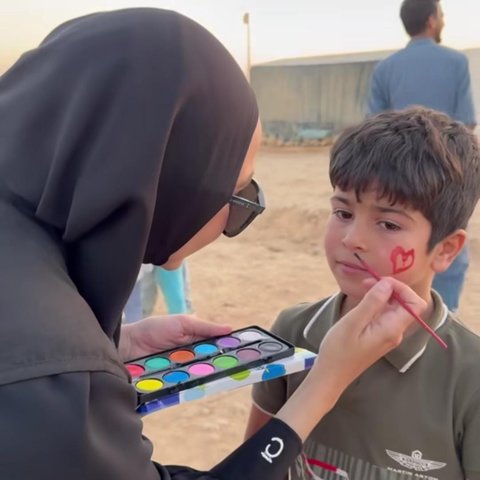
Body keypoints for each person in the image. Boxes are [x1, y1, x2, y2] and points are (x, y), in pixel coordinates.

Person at [0, 8, 425, 480]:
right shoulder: (50, 378)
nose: (353, 240)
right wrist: (324, 383)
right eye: (241, 195)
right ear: (172, 182)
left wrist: (108, 349)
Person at [245, 108, 480, 479]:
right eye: (342, 213)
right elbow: (251, 468)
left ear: (447, 249)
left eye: (388, 223)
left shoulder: (469, 375)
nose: (353, 239)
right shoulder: (293, 332)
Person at [367, 0, 477, 312]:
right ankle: (441, 322)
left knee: (393, 249)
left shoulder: (386, 68)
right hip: (449, 177)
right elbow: (466, 124)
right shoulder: (456, 62)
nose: (443, 20)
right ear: (431, 20)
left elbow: (373, 129)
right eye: (441, 15)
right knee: (446, 256)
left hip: (396, 184)